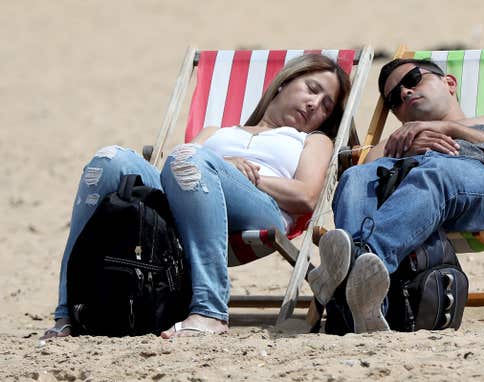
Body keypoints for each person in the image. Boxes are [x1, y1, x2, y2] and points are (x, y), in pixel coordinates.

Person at [41, 54, 351, 339]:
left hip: (262, 209)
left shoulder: (313, 140)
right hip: (191, 198)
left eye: (326, 105)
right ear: (284, 82)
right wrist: (219, 165)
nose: (315, 105)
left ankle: (209, 312)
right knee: (109, 161)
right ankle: (67, 312)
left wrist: (236, 174)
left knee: (191, 157)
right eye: (312, 89)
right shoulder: (216, 131)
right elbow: (173, 174)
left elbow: (307, 197)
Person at [308, 58, 484, 333]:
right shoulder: (398, 141)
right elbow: (361, 188)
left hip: (482, 190)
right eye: (393, 99)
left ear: (449, 83)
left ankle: (350, 270)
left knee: (435, 170)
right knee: (355, 177)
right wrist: (410, 149)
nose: (404, 93)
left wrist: (453, 130)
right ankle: (367, 305)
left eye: (413, 79)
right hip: (415, 206)